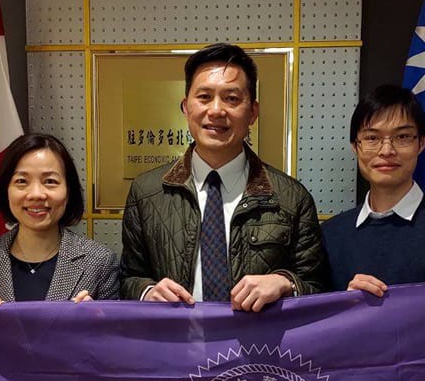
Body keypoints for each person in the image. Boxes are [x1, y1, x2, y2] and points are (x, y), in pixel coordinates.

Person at [120, 42, 328, 311]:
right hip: (176, 337)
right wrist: (147, 291)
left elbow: (318, 286)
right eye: (204, 97)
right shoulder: (147, 192)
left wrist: (285, 283)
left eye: (231, 99)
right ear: (185, 107)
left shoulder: (292, 198)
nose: (216, 110)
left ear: (253, 112)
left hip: (257, 338)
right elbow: (128, 278)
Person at [323, 86, 425, 295]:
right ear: (355, 146)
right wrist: (346, 305)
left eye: (402, 137)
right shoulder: (331, 235)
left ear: (421, 143)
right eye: (372, 138)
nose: (386, 151)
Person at [0, 133, 119, 303]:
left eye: (50, 181)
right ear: (6, 189)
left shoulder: (100, 262)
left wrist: (96, 317)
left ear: (68, 191)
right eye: (22, 181)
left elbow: (113, 321)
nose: (36, 194)